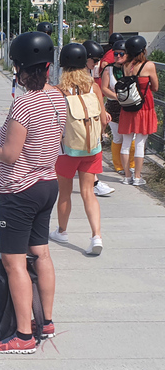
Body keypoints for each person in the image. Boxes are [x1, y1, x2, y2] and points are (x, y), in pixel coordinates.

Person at [0, 31, 65, 354]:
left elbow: (9, 154)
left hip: (19, 191)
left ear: (20, 70)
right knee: (41, 254)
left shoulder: (23, 103)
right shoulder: (57, 98)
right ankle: (46, 321)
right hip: (47, 184)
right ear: (48, 67)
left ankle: (23, 336)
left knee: (14, 263)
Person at [50, 43, 108, 256]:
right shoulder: (93, 87)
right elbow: (102, 120)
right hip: (92, 148)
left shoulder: (59, 91)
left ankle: (62, 231)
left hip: (67, 150)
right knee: (88, 193)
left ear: (63, 66)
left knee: (65, 193)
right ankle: (96, 236)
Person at [118, 35, 159, 186]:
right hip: (144, 105)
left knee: (126, 142)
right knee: (140, 142)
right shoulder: (149, 65)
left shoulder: (125, 65)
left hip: (128, 106)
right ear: (143, 49)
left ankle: (127, 176)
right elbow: (155, 87)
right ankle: (137, 177)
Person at [82, 40, 115, 197]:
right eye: (94, 61)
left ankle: (94, 182)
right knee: (92, 153)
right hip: (87, 119)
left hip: (85, 117)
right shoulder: (85, 78)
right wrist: (102, 114)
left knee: (87, 155)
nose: (96, 64)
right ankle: (94, 183)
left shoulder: (81, 74)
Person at [101, 40, 136, 175]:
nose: (118, 56)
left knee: (131, 136)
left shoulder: (131, 68)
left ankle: (131, 164)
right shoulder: (108, 69)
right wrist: (118, 96)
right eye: (116, 54)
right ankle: (119, 166)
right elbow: (104, 88)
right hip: (114, 106)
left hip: (129, 106)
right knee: (118, 137)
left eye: (121, 54)